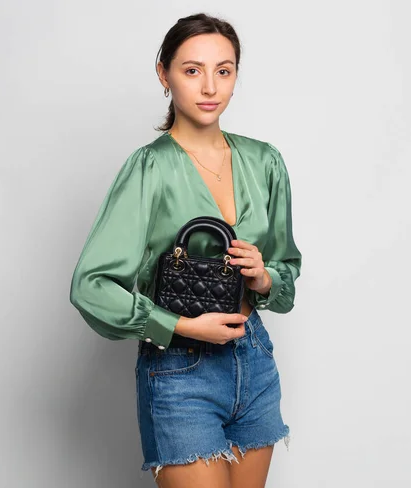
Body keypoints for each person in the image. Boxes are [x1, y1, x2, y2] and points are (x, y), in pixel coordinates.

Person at [69, 12, 302, 488]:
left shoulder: (265, 162)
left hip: (253, 358)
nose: (210, 87)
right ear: (164, 73)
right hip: (181, 370)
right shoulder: (149, 169)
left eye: (224, 70)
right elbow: (90, 286)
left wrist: (263, 278)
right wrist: (176, 325)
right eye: (192, 70)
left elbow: (286, 280)